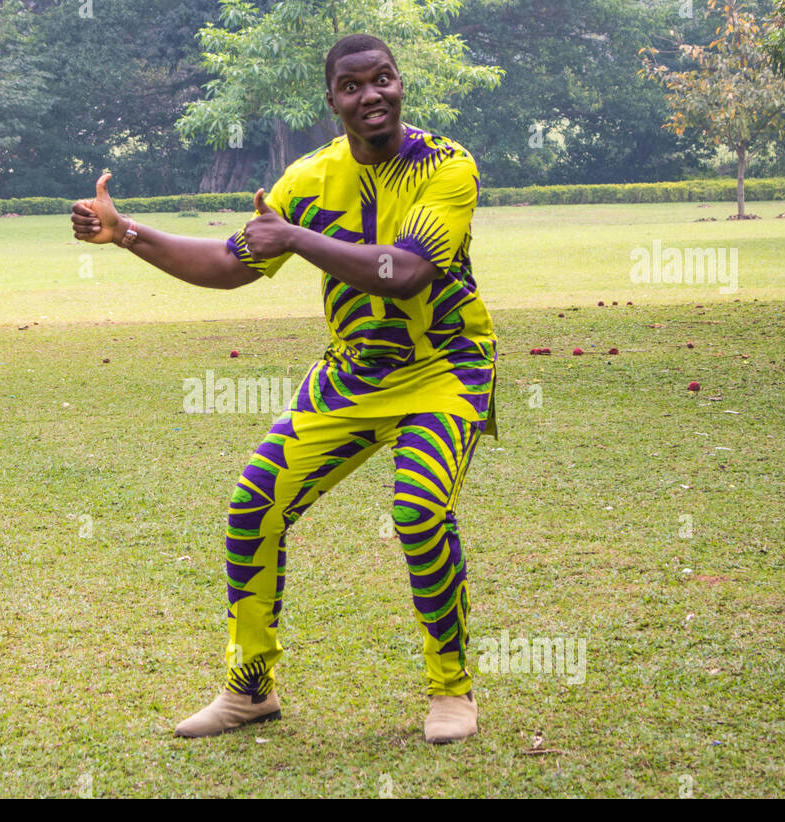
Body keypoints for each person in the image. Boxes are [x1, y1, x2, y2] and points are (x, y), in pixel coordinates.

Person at [70, 33, 498, 744]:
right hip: (354, 373)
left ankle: (451, 687)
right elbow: (232, 263)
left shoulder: (447, 166)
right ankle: (250, 688)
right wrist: (127, 234)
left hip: (445, 368)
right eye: (353, 86)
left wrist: (296, 239)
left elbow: (406, 271)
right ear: (332, 100)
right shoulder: (307, 179)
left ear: (401, 84)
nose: (373, 96)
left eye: (383, 80)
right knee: (254, 505)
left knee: (419, 508)